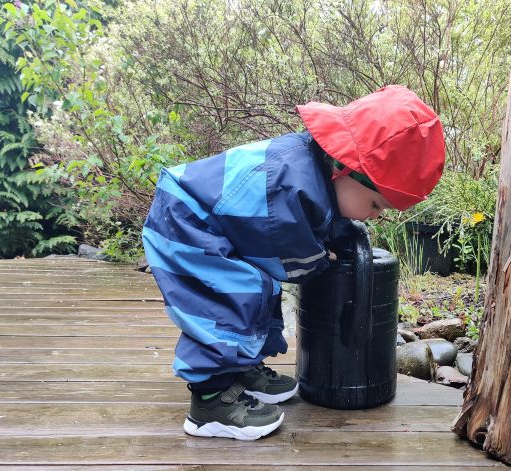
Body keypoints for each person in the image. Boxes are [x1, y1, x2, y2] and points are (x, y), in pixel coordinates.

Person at [142, 85, 445, 441]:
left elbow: (319, 219)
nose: (375, 216)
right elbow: (281, 246)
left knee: (261, 287)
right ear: (344, 168)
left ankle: (240, 369)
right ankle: (210, 403)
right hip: (187, 221)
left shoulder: (316, 173)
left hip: (211, 222)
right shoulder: (288, 183)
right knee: (229, 298)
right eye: (376, 205)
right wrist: (317, 257)